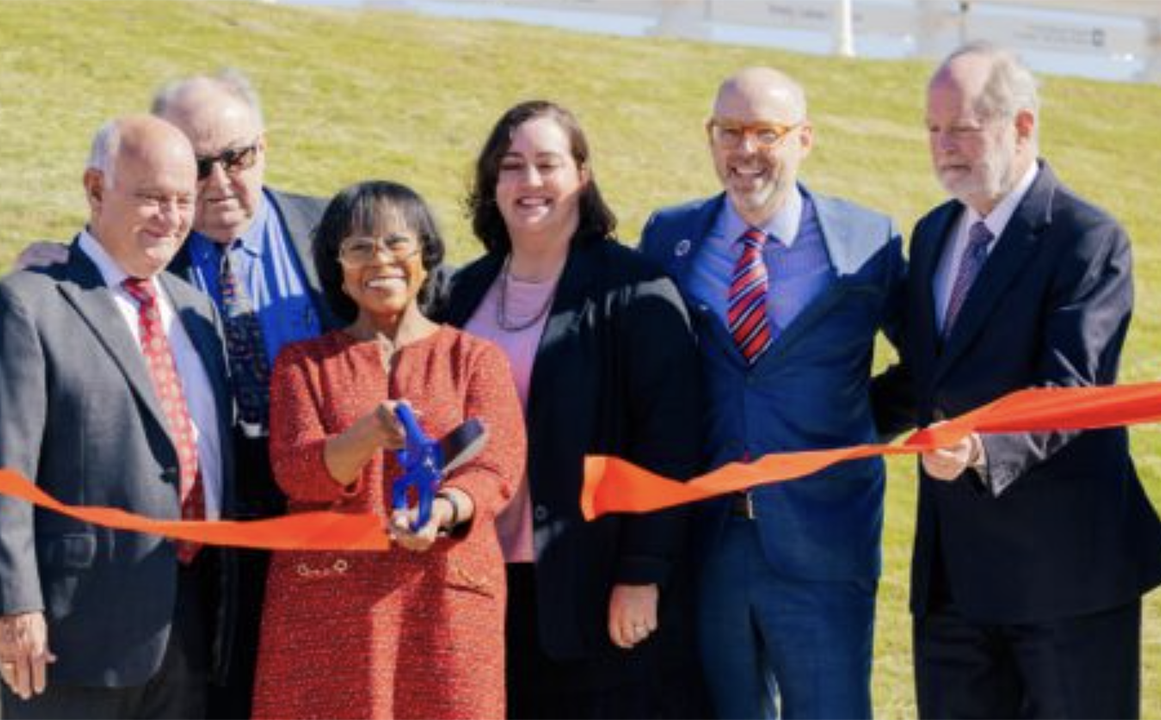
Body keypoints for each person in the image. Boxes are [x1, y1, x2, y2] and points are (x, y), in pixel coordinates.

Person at [869, 42, 1161, 719]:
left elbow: (1074, 389)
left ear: (1020, 126)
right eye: (932, 128)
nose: (943, 145)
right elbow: (927, 375)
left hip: (1065, 578)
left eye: (961, 126)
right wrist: (811, 423)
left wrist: (982, 448)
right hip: (952, 583)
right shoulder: (931, 235)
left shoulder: (1087, 239)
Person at [16, 69, 335, 718]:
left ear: (265, 147)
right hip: (194, 556)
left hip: (322, 525)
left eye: (237, 158)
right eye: (198, 164)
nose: (219, 184)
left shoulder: (333, 232)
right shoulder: (139, 256)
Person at [639, 68, 904, 718]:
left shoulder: (869, 242)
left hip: (825, 538)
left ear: (804, 138)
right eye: (729, 131)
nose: (745, 149)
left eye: (766, 132)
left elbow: (924, 366)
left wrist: (855, 430)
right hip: (709, 542)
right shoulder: (668, 240)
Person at [0, 115, 235, 718]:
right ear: (95, 188)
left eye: (184, 200)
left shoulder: (197, 313)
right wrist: (10, 607)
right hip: (67, 636)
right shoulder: (25, 304)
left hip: (190, 628)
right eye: (153, 197)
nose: (172, 217)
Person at [441, 100, 707, 718]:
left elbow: (669, 443)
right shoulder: (461, 292)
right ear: (491, 182)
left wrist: (643, 573)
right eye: (511, 166)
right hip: (476, 583)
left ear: (581, 176)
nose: (529, 182)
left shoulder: (635, 291)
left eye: (547, 164)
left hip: (593, 585)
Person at [251, 180, 525, 719]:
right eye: (359, 247)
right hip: (326, 613)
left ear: (426, 255)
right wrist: (366, 436)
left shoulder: (475, 359)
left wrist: (442, 512)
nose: (381, 260)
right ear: (338, 269)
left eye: (398, 243)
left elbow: (497, 467)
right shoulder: (301, 365)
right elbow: (296, 471)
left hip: (447, 601)